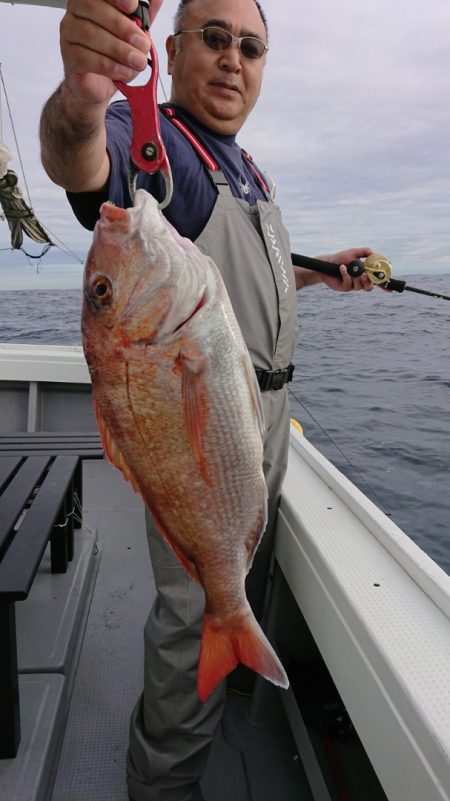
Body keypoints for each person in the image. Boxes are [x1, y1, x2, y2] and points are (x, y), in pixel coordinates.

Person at [40, 1, 374, 799]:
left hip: (257, 421)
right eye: (215, 40)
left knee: (236, 589)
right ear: (174, 50)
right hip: (210, 432)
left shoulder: (242, 165)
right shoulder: (154, 144)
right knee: (193, 626)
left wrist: (317, 272)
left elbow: (231, 288)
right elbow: (79, 158)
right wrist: (83, 101)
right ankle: (160, 784)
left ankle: (232, 682)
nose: (233, 60)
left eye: (251, 48)